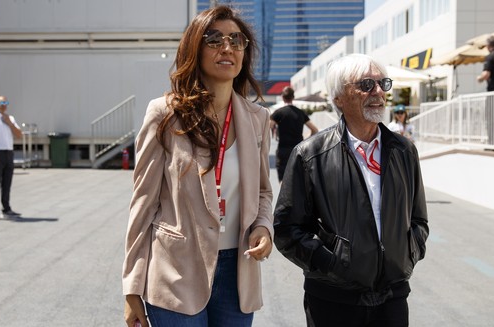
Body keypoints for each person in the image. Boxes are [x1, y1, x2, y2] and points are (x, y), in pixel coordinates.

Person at [122, 6, 273, 327]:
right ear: (194, 48)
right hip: (176, 270)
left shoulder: (258, 119)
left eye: (236, 40)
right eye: (214, 39)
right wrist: (132, 287)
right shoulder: (164, 113)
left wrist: (263, 227)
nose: (227, 48)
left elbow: (262, 192)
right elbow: (143, 204)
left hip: (238, 272)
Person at [274, 53, 429, 327]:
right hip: (333, 301)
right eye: (366, 84)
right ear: (339, 98)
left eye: (383, 83)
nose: (378, 92)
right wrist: (331, 263)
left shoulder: (404, 150)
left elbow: (419, 220)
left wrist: (408, 254)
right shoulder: (310, 154)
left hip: (392, 296)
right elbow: (287, 230)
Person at [0, 96, 23, 221]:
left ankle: (6, 208)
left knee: (7, 183)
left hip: (8, 152)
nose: (4, 105)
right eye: (1, 102)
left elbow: (19, 135)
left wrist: (9, 123)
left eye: (5, 102)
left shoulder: (10, 118)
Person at [269, 86, 318, 182]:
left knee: (283, 180)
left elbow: (268, 127)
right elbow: (314, 129)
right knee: (298, 179)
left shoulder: (278, 113)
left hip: (283, 149)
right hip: (298, 150)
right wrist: (305, 139)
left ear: (282, 97)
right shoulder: (300, 113)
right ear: (293, 97)